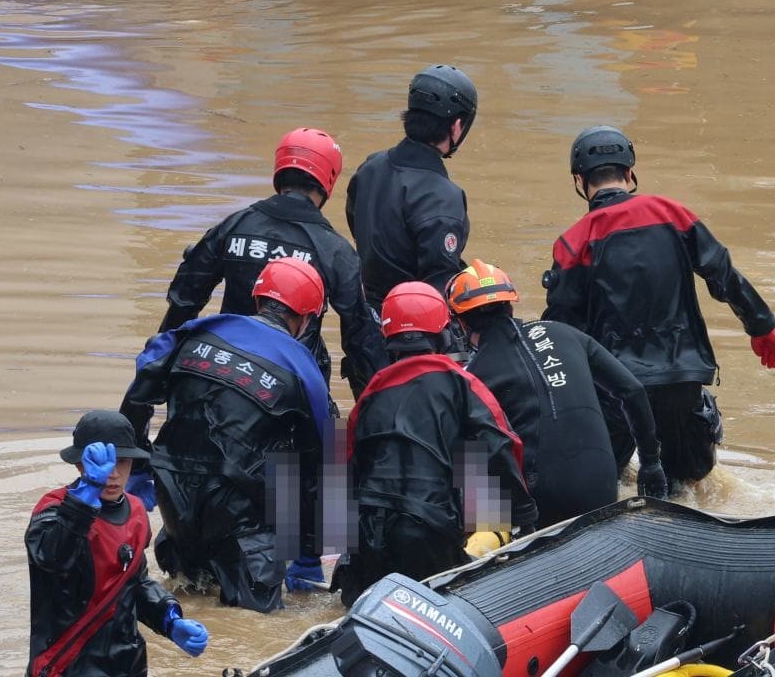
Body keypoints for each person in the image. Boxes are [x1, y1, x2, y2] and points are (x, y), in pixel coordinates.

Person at [542, 125, 775, 492]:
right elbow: (722, 274)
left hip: (615, 387)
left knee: (606, 482)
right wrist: (761, 325)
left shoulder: (573, 242)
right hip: (680, 377)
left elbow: (561, 326)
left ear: (580, 180)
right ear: (629, 173)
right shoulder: (673, 214)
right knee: (690, 485)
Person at [120, 257, 331, 613]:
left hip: (174, 499)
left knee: (186, 601)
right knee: (254, 626)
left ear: (257, 298)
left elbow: (139, 390)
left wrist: (137, 466)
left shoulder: (193, 332)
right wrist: (311, 551)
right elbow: (328, 465)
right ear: (307, 318)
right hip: (242, 521)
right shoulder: (303, 369)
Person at [332, 281, 537, 607]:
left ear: (389, 337)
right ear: (443, 333)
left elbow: (343, 469)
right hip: (425, 530)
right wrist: (526, 517)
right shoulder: (461, 382)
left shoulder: (370, 395)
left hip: (366, 536)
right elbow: (501, 446)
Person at [156, 127, 386, 397]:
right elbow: (361, 339)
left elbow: (185, 298)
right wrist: (374, 408)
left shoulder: (235, 224)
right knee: (332, 435)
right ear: (328, 179)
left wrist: (160, 377)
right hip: (293, 384)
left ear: (279, 171)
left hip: (221, 368)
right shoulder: (335, 250)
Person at [447, 260, 668, 527]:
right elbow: (632, 391)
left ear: (460, 324)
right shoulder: (565, 333)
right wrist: (651, 464)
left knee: (468, 447)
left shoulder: (471, 378)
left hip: (544, 505)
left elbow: (473, 458)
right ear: (511, 305)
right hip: (603, 487)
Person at [26, 410, 208, 676]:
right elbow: (54, 557)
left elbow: (135, 583)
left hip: (128, 661)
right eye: (101, 464)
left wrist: (169, 619)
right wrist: (87, 492)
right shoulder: (53, 510)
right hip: (67, 664)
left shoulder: (135, 512)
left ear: (132, 464)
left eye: (121, 461)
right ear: (80, 464)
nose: (112, 474)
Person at [345, 64, 477, 312]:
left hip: (364, 317)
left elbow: (357, 228)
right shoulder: (444, 197)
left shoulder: (369, 168)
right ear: (457, 126)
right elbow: (439, 282)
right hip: (410, 327)